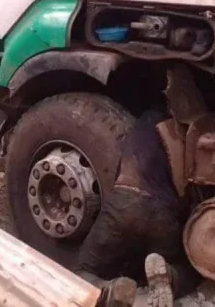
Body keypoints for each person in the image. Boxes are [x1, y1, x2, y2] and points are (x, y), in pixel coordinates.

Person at [76, 108, 199, 306]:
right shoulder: (181, 131)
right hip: (162, 214)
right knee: (188, 270)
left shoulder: (140, 126)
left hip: (123, 204)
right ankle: (169, 277)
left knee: (83, 270)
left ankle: (109, 290)